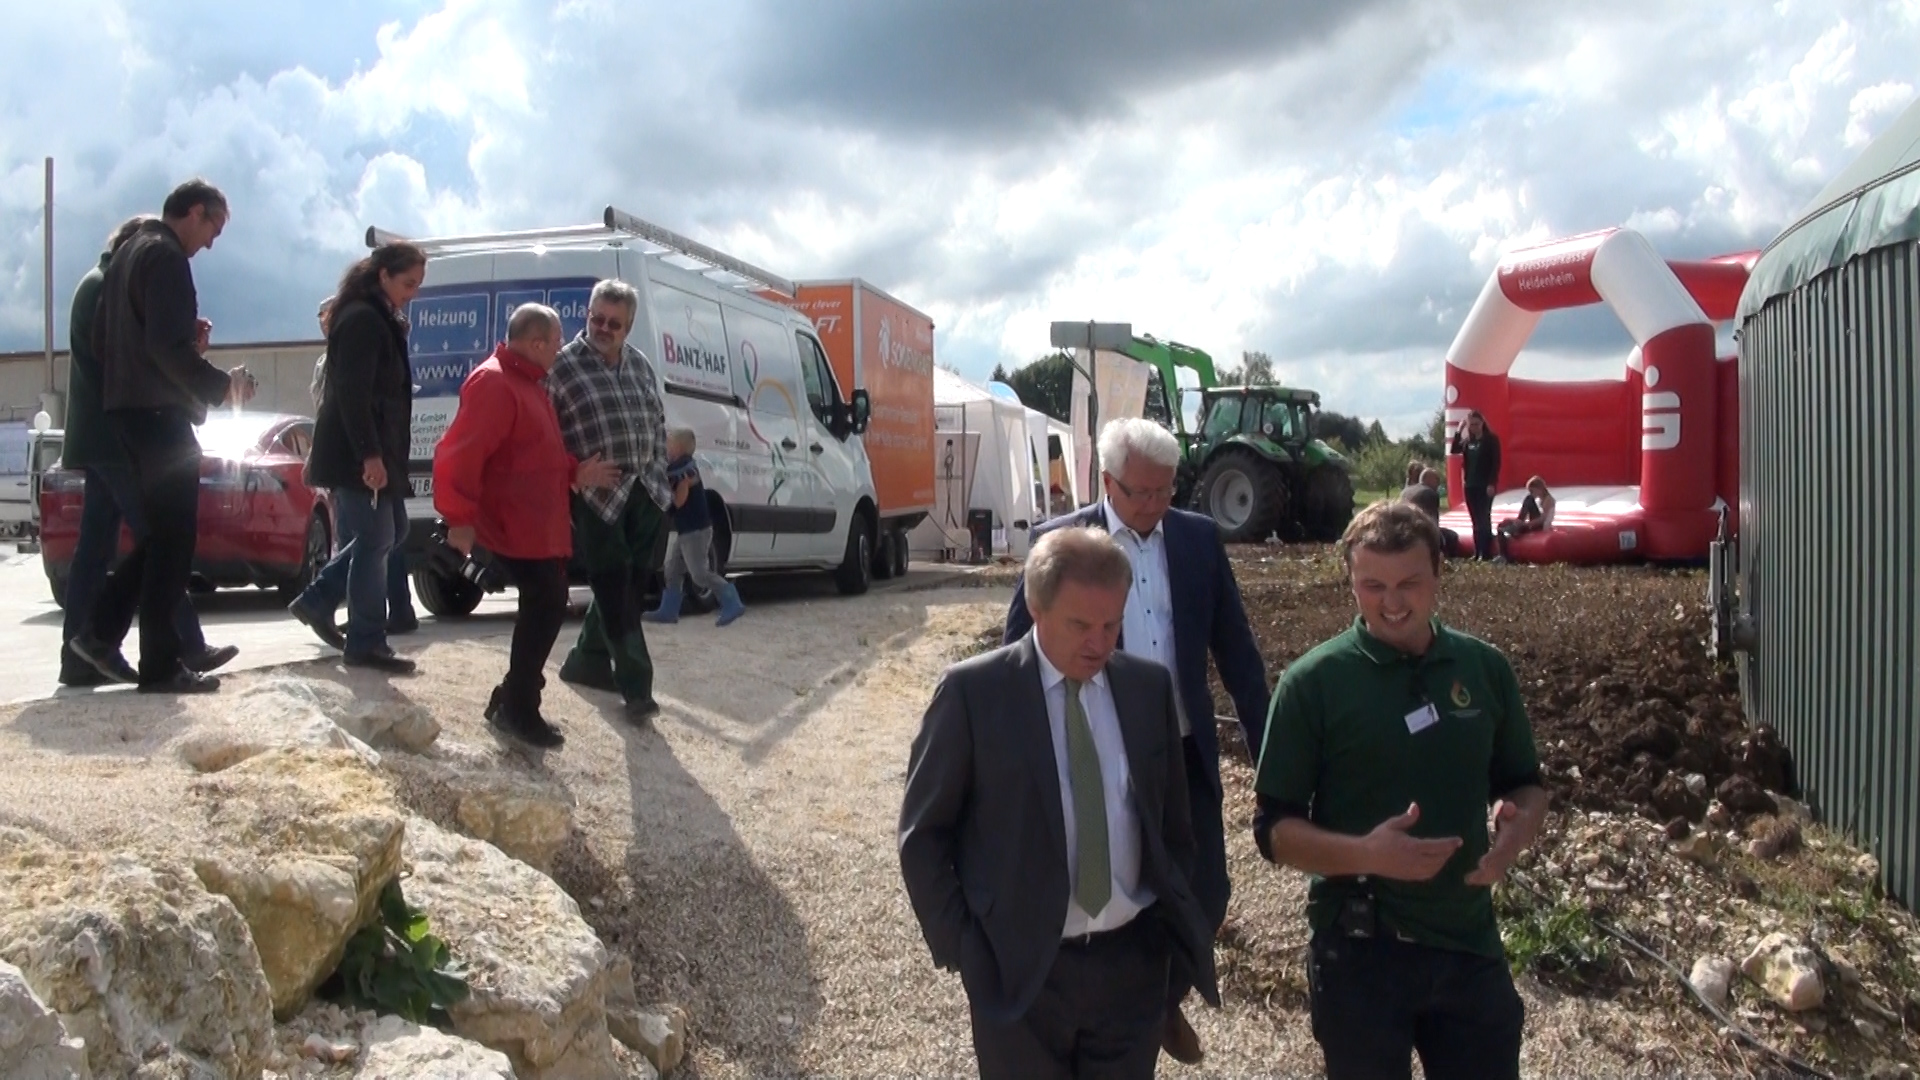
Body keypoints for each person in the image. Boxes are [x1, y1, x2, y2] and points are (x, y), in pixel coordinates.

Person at [900, 526, 1219, 1079]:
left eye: (1112, 624)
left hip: (1131, 968)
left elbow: (1172, 826)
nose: (1099, 642)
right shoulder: (974, 694)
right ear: (1035, 605)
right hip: (1020, 972)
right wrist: (966, 947)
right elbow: (924, 835)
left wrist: (1159, 945)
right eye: (1080, 625)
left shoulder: (1147, 689)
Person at [1003, 417, 1269, 1065]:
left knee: (1207, 891)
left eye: (1165, 491)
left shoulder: (1199, 541)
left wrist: (1271, 751)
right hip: (1101, 751)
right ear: (1108, 482)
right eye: (1139, 493)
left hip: (1181, 748)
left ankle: (1162, 997)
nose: (1153, 506)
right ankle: (1137, 1008)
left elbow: (1237, 652)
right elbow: (1016, 650)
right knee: (1127, 887)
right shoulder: (1063, 545)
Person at [1252, 500, 1549, 1080]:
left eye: (1410, 582)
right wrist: (1368, 854)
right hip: (1362, 952)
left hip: (1468, 942)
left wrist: (1514, 833)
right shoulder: (1313, 684)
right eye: (1372, 585)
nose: (1392, 603)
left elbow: (1527, 785)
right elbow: (1273, 832)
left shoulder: (1484, 669)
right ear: (1350, 582)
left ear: (1440, 573)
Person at [69, 179, 255, 694]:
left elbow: (105, 340)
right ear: (194, 212)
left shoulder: (128, 251)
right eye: (213, 228)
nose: (211, 243)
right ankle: (159, 664)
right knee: (174, 541)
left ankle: (100, 632)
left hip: (127, 412)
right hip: (158, 416)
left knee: (159, 539)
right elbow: (168, 349)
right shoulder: (167, 257)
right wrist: (222, 386)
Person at [434, 304, 619, 747]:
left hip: (534, 525)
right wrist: (459, 520)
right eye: (557, 343)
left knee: (547, 608)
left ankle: (514, 700)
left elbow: (536, 454)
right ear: (536, 343)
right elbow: (459, 454)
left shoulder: (528, 384)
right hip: (511, 527)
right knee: (545, 608)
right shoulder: (496, 383)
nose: (561, 351)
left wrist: (574, 471)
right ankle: (518, 707)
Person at [291, 243, 426, 674]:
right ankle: (366, 639)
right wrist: (370, 455)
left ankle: (318, 599)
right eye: (408, 284)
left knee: (392, 530)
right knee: (374, 539)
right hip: (355, 453)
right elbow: (353, 395)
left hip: (372, 449)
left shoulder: (375, 317)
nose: (413, 293)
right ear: (383, 275)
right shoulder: (364, 320)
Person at [547, 279, 674, 722]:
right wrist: (575, 473)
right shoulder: (561, 367)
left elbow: (658, 420)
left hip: (646, 491)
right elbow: (541, 436)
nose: (602, 328)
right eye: (595, 318)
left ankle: (586, 661)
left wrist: (659, 472)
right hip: (598, 497)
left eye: (613, 323)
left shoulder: (639, 365)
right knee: (616, 590)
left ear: (629, 326)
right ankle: (637, 686)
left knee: (631, 588)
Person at [641, 428, 745, 626]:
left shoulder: (684, 470)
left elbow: (680, 501)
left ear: (678, 448)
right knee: (672, 570)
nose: (666, 448)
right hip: (687, 530)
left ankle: (732, 600)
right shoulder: (682, 467)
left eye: (669, 443)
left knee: (699, 574)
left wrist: (670, 495)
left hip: (695, 531)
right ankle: (669, 610)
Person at [1449, 410, 1502, 560]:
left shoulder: (1491, 440)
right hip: (1470, 485)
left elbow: (1495, 463)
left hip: (1484, 485)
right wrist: (1459, 430)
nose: (1473, 427)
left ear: (1482, 423)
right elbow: (1454, 450)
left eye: (1476, 424)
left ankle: (1485, 552)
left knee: (1484, 517)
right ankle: (1477, 551)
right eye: (1471, 425)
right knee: (1474, 519)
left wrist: (1492, 483)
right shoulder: (1468, 442)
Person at [1496, 476, 1555, 562]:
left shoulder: (1548, 500)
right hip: (1534, 523)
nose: (1532, 493)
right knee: (1502, 526)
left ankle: (1518, 523)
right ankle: (1503, 555)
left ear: (1539, 488)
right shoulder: (1540, 499)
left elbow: (1543, 519)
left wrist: (1525, 524)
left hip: (1540, 526)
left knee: (1529, 499)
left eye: (1532, 491)